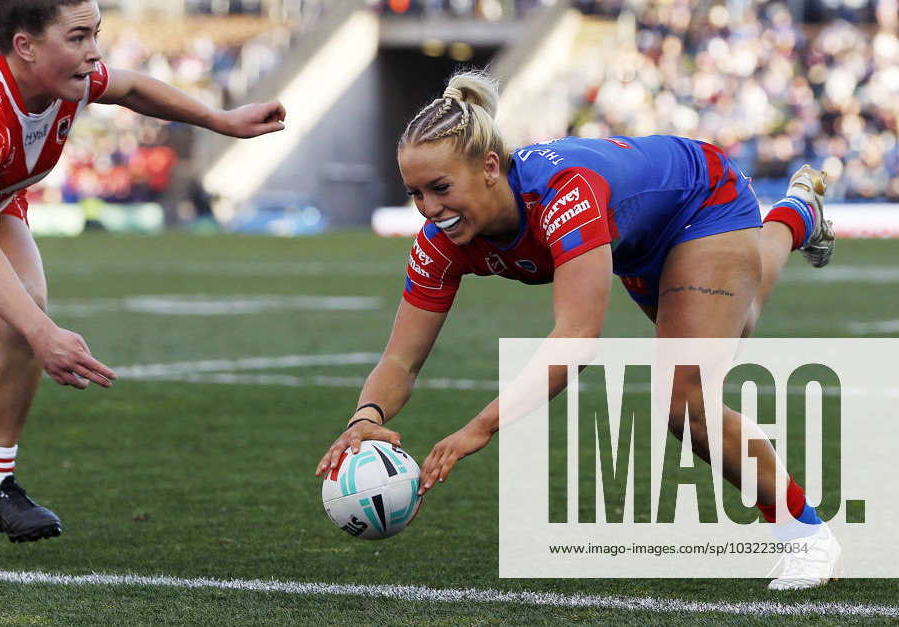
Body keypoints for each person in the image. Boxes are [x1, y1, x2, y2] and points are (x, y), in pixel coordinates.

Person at [316, 70, 839, 590]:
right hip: (631, 237)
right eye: (416, 194)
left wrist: (482, 425)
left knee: (686, 404)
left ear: (491, 167)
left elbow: (578, 336)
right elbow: (400, 360)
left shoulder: (565, 195)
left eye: (441, 188)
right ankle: (797, 215)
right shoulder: (439, 240)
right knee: (740, 318)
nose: (431, 210)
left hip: (699, 199)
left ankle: (807, 535)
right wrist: (365, 416)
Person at [0, 0, 286, 543]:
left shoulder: (64, 80)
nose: (94, 53)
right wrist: (45, 338)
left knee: (23, 304)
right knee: (24, 320)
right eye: (79, 37)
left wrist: (218, 120)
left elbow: (129, 87)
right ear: (26, 47)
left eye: (96, 34)